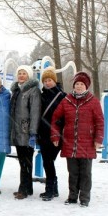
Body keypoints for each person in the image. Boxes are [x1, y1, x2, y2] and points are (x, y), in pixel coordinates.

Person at [51, 71, 104, 207]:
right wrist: (55, 135)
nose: (79, 86)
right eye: (77, 84)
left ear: (86, 86)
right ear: (74, 86)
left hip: (87, 143)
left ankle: (84, 198)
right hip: (70, 143)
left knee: (85, 173)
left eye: (81, 84)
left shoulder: (93, 101)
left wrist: (98, 139)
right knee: (73, 172)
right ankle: (73, 196)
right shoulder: (66, 100)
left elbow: (99, 122)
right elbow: (56, 119)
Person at [10, 65, 41, 200]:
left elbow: (35, 112)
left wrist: (33, 133)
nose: (21, 75)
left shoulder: (33, 91)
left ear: (28, 75)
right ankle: (27, 188)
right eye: (19, 73)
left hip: (27, 131)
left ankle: (24, 189)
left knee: (26, 162)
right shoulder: (16, 90)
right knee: (22, 161)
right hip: (17, 131)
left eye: (24, 73)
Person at [37, 67, 67, 201]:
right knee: (47, 162)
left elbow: (66, 115)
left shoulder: (62, 96)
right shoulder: (41, 95)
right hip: (43, 133)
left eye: (49, 80)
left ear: (54, 81)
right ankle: (53, 189)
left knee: (49, 161)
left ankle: (50, 189)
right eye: (45, 81)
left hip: (57, 134)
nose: (47, 83)